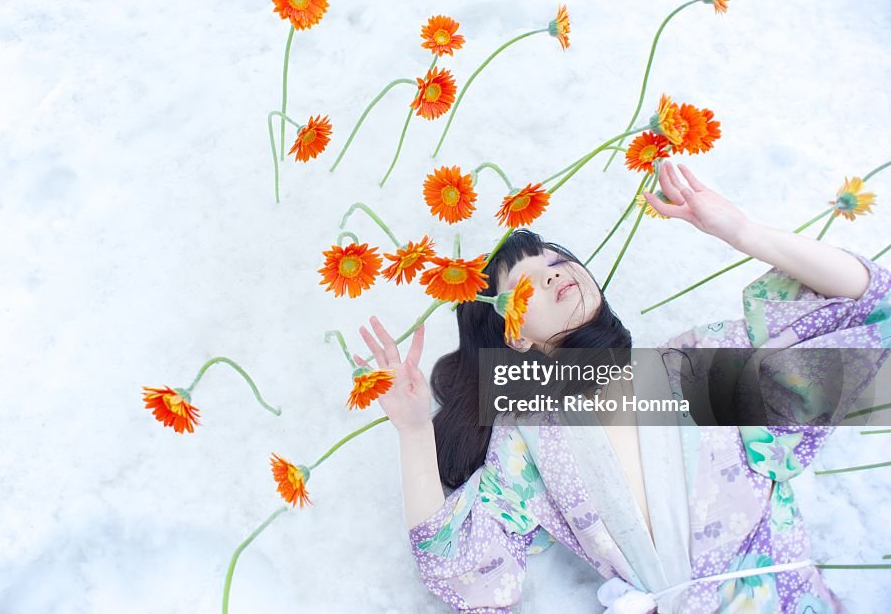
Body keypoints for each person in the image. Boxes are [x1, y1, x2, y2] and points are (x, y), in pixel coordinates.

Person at [356, 160, 891, 613]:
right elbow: (459, 568)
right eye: (524, 287)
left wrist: (743, 233)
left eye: (558, 261)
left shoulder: (693, 365)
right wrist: (412, 429)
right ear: (513, 339)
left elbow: (872, 313)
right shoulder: (528, 442)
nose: (552, 274)